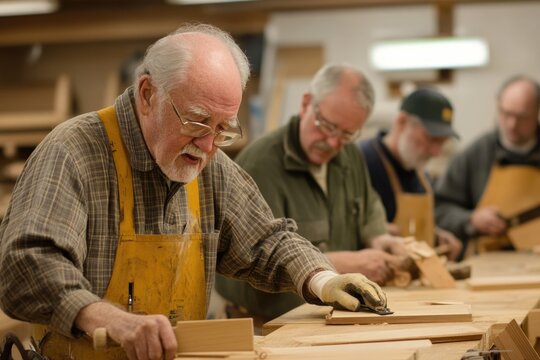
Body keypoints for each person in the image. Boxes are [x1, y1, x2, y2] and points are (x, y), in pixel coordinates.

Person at [0, 25, 388, 360]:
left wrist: (322, 279)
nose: (207, 146)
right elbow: (25, 266)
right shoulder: (74, 152)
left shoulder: (210, 165)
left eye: (224, 129)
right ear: (148, 94)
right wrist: (109, 318)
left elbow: (267, 241)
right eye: (198, 121)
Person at [215, 63, 408, 323]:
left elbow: (368, 201)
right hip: (269, 326)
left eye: (347, 134)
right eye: (327, 126)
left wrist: (378, 236)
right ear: (307, 103)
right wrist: (339, 267)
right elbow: (250, 262)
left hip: (333, 321)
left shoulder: (349, 155)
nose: (332, 142)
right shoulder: (259, 165)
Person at [435, 75, 540, 256]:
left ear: (537, 111)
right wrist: (470, 219)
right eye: (506, 113)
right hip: (487, 263)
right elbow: (439, 208)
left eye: (522, 117)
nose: (512, 124)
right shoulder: (474, 154)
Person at [358, 88, 462, 261]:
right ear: (402, 121)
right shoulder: (362, 162)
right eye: (431, 139)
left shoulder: (421, 175)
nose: (436, 152)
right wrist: (371, 233)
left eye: (442, 143)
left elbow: (410, 229)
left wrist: (435, 236)